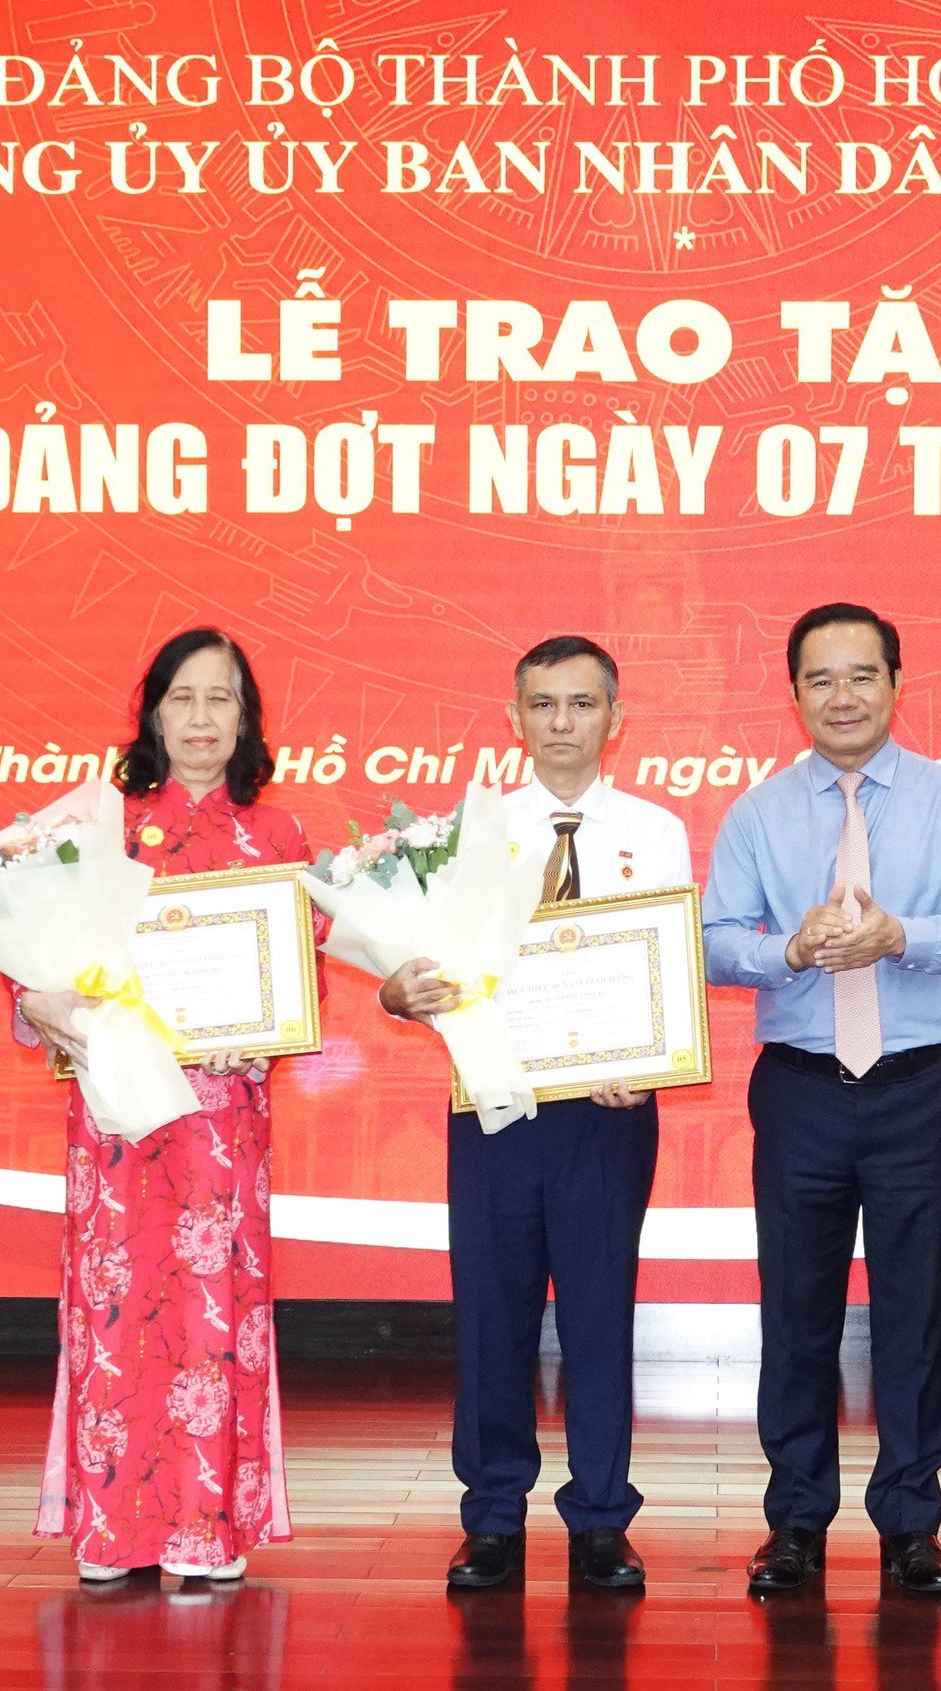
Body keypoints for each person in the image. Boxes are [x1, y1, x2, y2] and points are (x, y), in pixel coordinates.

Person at [703, 603, 941, 1597]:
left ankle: (910, 1525)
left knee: (914, 1313)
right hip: (799, 1087)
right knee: (795, 1315)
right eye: (819, 679)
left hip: (918, 1088)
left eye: (860, 675)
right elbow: (714, 937)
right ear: (793, 692)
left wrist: (903, 937)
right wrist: (785, 951)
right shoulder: (757, 810)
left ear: (894, 681)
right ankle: (795, 1519)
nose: (841, 697)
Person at [378, 636, 693, 1593]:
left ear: (615, 716)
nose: (563, 723)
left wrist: (648, 1064)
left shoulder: (656, 831)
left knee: (601, 1314)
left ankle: (602, 1517)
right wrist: (399, 990)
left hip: (608, 1111)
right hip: (493, 1108)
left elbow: (669, 965)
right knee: (492, 1316)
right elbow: (413, 976)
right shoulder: (463, 836)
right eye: (544, 705)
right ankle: (493, 1517)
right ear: (513, 719)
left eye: (583, 704)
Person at [14, 628, 310, 1585]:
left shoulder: (277, 837)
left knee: (211, 1315)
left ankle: (207, 1531)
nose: (200, 718)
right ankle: (112, 1529)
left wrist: (261, 1029)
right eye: (183, 697)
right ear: (153, 712)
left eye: (221, 699)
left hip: (223, 1122)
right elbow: (34, 959)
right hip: (117, 1120)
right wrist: (38, 998)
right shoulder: (95, 829)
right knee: (119, 1308)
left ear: (245, 718)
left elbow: (298, 977)